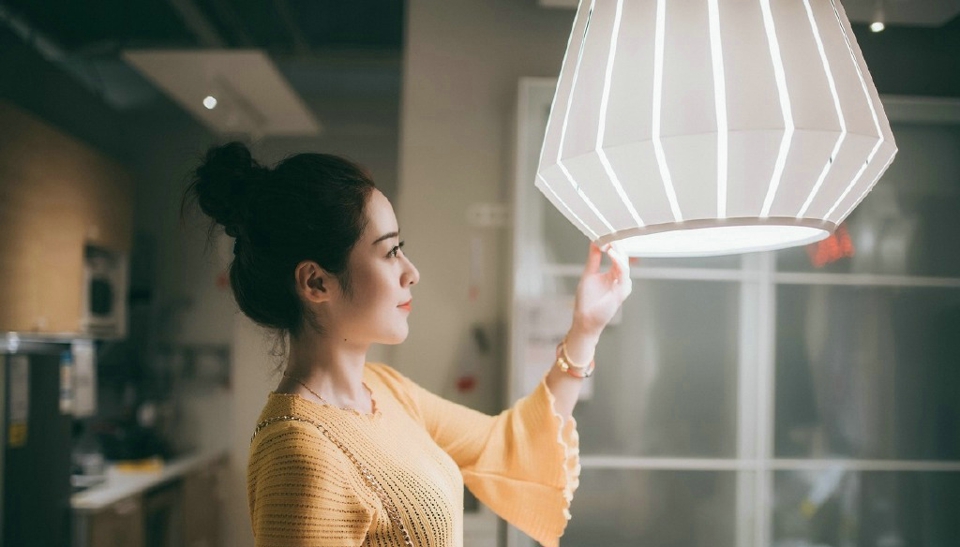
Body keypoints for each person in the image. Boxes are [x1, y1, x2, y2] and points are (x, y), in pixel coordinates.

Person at [184, 142, 632, 547]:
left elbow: (507, 444)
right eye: (390, 251)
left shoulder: (383, 389)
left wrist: (585, 328)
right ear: (316, 282)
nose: (410, 271)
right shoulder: (298, 455)